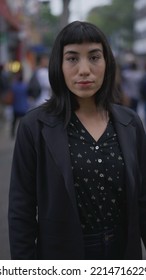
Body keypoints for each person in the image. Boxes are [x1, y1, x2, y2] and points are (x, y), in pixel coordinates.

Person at [8, 21, 146, 260]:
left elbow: (143, 199)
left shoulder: (130, 122)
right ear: (58, 65)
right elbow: (22, 211)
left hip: (123, 254)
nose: (84, 69)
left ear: (107, 63)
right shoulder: (35, 126)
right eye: (72, 58)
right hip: (62, 256)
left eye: (94, 57)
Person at [10, 68, 29, 138]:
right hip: (24, 107)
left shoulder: (14, 86)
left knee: (14, 121)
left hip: (16, 107)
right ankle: (24, 134)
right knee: (24, 122)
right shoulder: (25, 86)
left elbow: (12, 95)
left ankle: (12, 133)